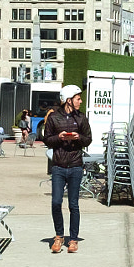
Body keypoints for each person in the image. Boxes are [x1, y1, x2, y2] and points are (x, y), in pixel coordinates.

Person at [43, 84, 93, 254]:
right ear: (68, 100)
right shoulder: (53, 118)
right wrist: (59, 137)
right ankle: (59, 236)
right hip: (58, 166)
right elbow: (47, 139)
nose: (80, 101)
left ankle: (73, 239)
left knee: (73, 204)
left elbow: (88, 139)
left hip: (76, 166)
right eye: (78, 98)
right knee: (56, 202)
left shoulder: (81, 118)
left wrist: (79, 138)